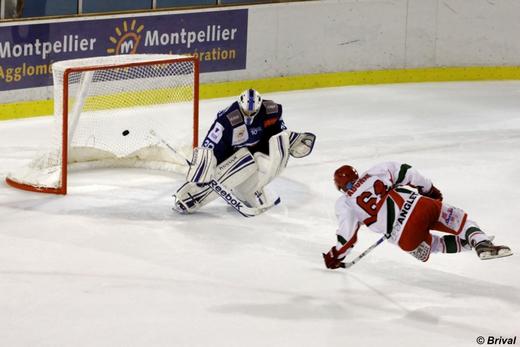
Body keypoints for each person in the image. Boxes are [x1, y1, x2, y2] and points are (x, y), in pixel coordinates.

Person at [323, 162, 512, 269]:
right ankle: (480, 242)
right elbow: (407, 172)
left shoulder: (345, 203)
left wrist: (336, 255)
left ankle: (469, 245)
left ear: (339, 186)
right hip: (420, 206)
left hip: (403, 237)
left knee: (435, 246)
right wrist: (429, 190)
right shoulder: (374, 173)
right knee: (462, 223)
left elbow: (346, 237)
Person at [173, 89, 316, 214]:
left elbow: (280, 129)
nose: (249, 114)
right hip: (227, 149)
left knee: (261, 163)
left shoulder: (271, 109)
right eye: (246, 110)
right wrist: (204, 162)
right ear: (240, 105)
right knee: (217, 175)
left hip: (255, 147)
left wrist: (289, 138)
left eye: (253, 111)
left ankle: (249, 190)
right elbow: (210, 141)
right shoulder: (227, 117)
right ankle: (187, 198)